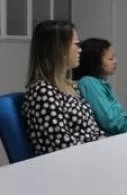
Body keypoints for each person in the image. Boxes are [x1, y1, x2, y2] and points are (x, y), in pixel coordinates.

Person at [22, 20, 103, 155]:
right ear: (59, 48)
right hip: (69, 165)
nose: (80, 49)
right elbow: (61, 146)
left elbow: (93, 129)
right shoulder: (42, 91)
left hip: (89, 156)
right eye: (76, 44)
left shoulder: (70, 85)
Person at [73, 38, 127, 135]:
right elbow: (109, 121)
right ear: (95, 62)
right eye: (110, 59)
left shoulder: (99, 82)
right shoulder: (89, 83)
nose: (115, 61)